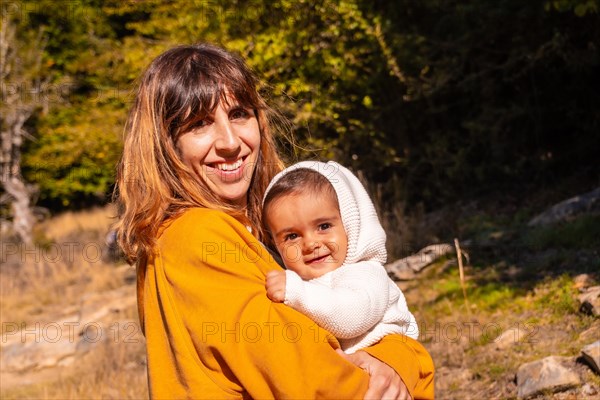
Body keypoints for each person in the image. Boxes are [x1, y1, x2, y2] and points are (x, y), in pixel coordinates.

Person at [114, 42, 434, 399]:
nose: (231, 142)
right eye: (199, 124)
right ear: (165, 145)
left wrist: (395, 358)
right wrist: (409, 364)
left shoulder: (258, 228)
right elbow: (312, 380)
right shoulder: (196, 235)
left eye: (239, 114)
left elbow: (350, 327)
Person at [262, 161, 419, 354]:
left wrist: (296, 291)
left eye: (324, 226)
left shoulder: (366, 273)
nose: (311, 244)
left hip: (380, 373)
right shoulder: (300, 283)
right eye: (292, 236)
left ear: (350, 224)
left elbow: (351, 319)